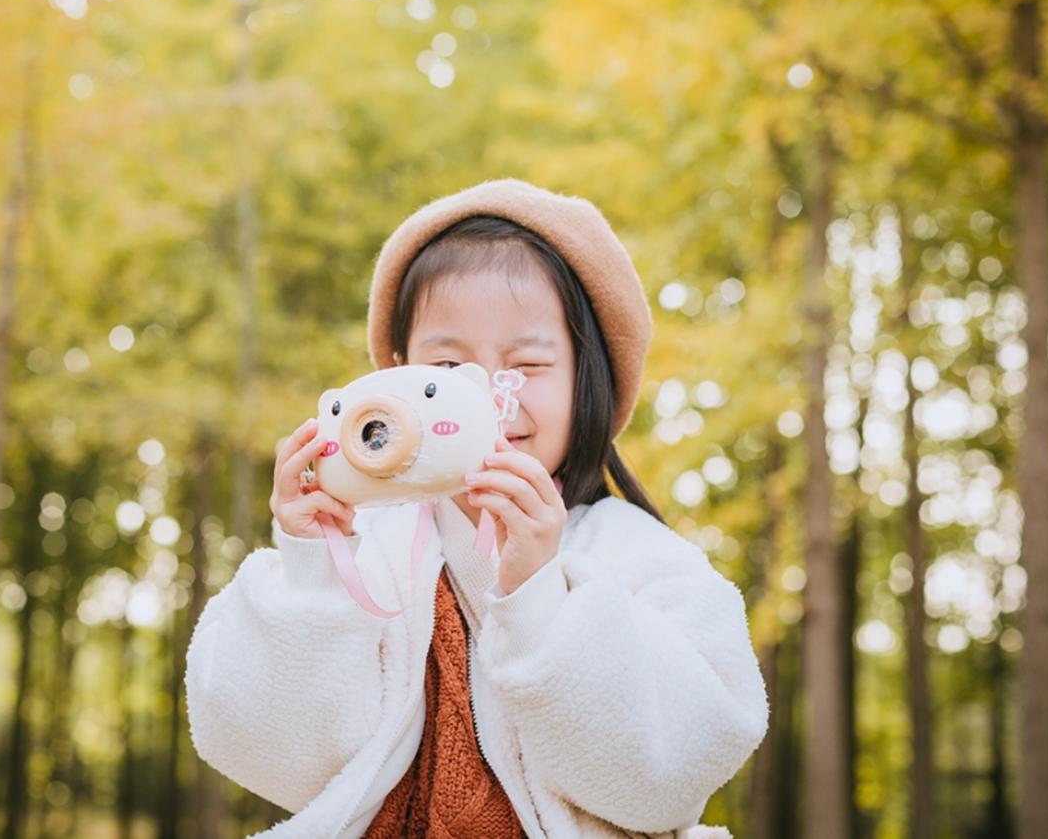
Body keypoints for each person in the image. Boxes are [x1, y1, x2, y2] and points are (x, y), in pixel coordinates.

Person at [185, 178, 768, 838]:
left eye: (527, 365)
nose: (488, 396)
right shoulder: (365, 546)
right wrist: (314, 571)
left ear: (588, 380)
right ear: (396, 374)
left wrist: (543, 599)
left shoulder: (639, 555)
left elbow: (675, 777)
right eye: (445, 366)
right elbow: (275, 759)